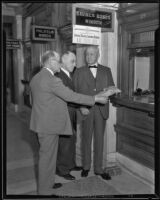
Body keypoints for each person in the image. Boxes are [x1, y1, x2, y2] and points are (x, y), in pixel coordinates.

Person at [29, 50, 114, 195]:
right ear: (50, 62)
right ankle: (44, 192)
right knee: (47, 160)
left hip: (41, 123)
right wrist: (95, 99)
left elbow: (33, 101)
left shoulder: (36, 77)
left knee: (47, 159)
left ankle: (47, 185)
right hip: (49, 125)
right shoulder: (52, 79)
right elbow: (70, 96)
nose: (60, 64)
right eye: (57, 61)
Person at [73, 45, 117, 180]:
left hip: (101, 110)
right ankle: (86, 166)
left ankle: (98, 169)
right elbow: (74, 93)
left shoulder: (106, 70)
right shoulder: (79, 71)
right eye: (87, 54)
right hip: (86, 110)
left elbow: (111, 87)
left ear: (98, 55)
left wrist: (112, 91)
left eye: (92, 54)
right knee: (86, 139)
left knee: (99, 140)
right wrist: (80, 107)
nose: (88, 57)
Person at [55, 51, 82, 180]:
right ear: (63, 62)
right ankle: (62, 169)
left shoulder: (69, 74)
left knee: (71, 139)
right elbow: (69, 97)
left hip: (70, 112)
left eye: (75, 61)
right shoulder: (59, 76)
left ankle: (70, 164)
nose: (75, 64)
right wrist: (84, 103)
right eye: (72, 61)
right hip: (63, 113)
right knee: (65, 141)